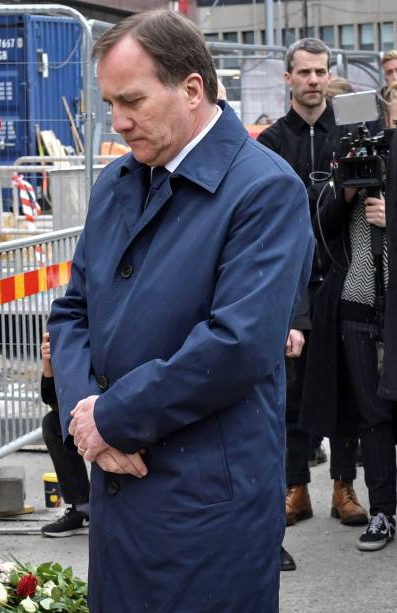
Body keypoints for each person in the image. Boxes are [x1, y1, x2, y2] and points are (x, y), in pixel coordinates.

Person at [48, 10, 313, 611]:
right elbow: (72, 314)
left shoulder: (264, 190)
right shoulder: (119, 182)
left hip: (207, 503)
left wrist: (111, 417)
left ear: (192, 89)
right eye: (110, 103)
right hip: (119, 482)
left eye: (133, 101)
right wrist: (85, 419)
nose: (117, 123)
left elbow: (237, 343)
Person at [256, 38, 368, 571]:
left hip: (345, 274)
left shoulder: (348, 135)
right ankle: (295, 488)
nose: (314, 80)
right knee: (292, 393)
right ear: (288, 78)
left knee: (348, 387)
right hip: (293, 282)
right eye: (304, 72)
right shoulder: (272, 141)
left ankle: (343, 488)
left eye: (321, 71)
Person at [303, 85, 397, 552]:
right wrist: (348, 192)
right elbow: (320, 229)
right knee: (372, 416)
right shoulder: (342, 170)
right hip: (356, 306)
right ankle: (382, 511)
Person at [38, 331, 91, 537]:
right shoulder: (69, 328)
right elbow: (50, 398)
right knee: (54, 424)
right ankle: (83, 508)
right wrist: (48, 362)